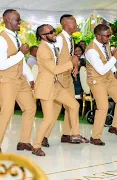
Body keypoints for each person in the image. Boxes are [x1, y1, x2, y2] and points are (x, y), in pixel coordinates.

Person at [32, 24, 85, 156]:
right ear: (43, 36)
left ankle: (75, 134)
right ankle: (36, 146)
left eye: (54, 30)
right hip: (46, 87)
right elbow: (54, 69)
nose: (55, 33)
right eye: (51, 32)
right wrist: (72, 62)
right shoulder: (43, 50)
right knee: (48, 118)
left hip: (55, 85)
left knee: (74, 105)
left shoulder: (52, 46)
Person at [42, 14, 88, 147]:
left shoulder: (70, 39)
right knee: (64, 107)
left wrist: (75, 66)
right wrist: (55, 78)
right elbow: (54, 59)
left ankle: (66, 135)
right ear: (66, 25)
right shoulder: (60, 39)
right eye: (74, 22)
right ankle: (73, 134)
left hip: (67, 77)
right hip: (60, 78)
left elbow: (69, 56)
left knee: (69, 107)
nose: (77, 25)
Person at [85, 24, 117, 146]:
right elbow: (101, 70)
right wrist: (115, 57)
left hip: (109, 77)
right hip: (97, 80)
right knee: (103, 107)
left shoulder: (106, 44)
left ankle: (115, 127)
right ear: (98, 36)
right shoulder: (91, 51)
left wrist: (115, 72)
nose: (109, 38)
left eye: (110, 35)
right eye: (107, 36)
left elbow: (107, 59)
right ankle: (95, 137)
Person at [0, 9, 36, 153]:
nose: (20, 22)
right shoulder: (1, 39)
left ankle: (24, 141)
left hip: (20, 80)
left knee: (30, 107)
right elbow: (1, 64)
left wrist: (31, 77)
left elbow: (21, 61)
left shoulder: (17, 38)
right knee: (6, 112)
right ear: (7, 20)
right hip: (7, 80)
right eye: (17, 20)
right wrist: (21, 52)